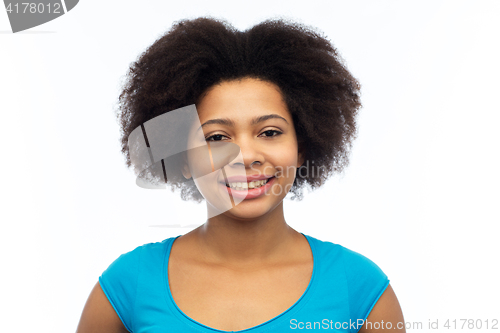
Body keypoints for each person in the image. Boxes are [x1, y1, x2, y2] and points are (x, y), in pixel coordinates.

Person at [76, 17, 405, 333]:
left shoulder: (359, 289)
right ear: (183, 159)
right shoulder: (128, 284)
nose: (245, 156)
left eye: (269, 132)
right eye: (216, 137)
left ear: (302, 146)